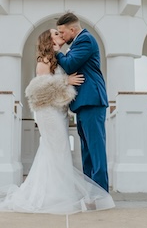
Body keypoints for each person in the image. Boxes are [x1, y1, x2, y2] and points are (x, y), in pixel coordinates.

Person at [0, 29, 115, 215]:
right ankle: (53, 196)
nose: (60, 35)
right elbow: (40, 92)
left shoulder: (59, 58)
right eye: (56, 33)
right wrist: (65, 81)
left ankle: (60, 192)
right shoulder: (43, 61)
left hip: (60, 112)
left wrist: (66, 81)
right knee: (57, 151)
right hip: (49, 113)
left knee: (59, 152)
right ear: (49, 39)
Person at [54, 12, 109, 192]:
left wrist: (56, 52)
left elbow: (70, 64)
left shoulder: (85, 39)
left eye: (62, 33)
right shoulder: (79, 41)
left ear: (73, 29)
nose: (61, 36)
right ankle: (91, 192)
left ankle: (101, 194)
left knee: (95, 149)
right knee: (86, 151)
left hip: (92, 100)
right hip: (84, 102)